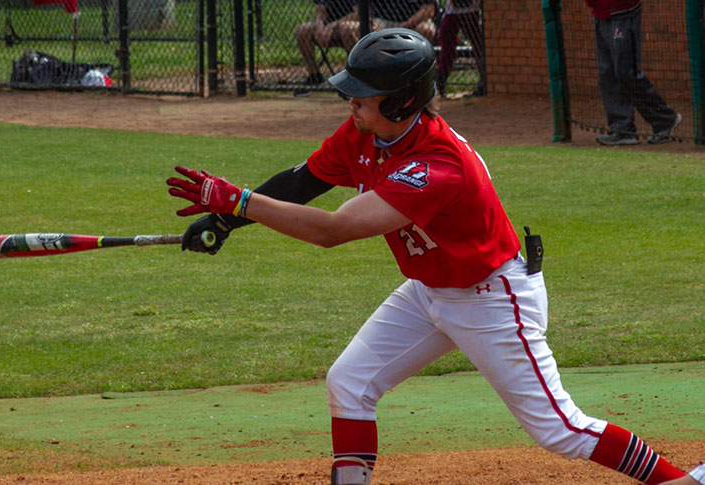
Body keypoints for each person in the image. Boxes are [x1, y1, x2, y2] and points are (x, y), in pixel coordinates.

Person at [168, 28, 704, 485]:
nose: (350, 104)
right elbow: (302, 182)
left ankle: (681, 481)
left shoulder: (436, 164)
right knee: (349, 383)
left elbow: (334, 230)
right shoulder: (364, 133)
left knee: (559, 430)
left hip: (492, 297)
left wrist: (238, 200)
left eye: (362, 95)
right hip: (430, 291)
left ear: (401, 101)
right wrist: (224, 222)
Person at [585, 0, 682, 145]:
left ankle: (664, 119)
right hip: (601, 13)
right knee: (607, 73)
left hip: (623, 13)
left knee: (626, 72)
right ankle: (622, 129)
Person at [296, 0, 358, 88]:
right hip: (330, 26)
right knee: (302, 30)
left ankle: (356, 76)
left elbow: (357, 14)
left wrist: (333, 25)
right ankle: (315, 76)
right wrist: (319, 25)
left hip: (354, 23)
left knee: (346, 29)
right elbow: (320, 11)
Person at [340, 0, 437, 50]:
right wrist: (373, 24)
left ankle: (419, 73)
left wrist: (404, 27)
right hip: (381, 22)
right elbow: (365, 9)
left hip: (414, 23)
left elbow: (428, 10)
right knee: (348, 29)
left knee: (427, 30)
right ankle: (365, 69)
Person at [435, 0, 485, 97]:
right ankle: (440, 81)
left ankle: (485, 78)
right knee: (447, 38)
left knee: (477, 41)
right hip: (453, 10)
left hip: (471, 8)